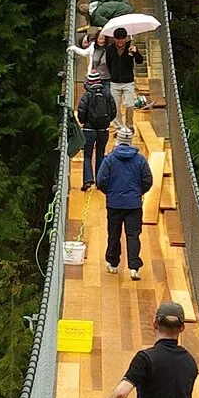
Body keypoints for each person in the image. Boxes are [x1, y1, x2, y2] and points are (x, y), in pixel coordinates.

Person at [95, 123, 153, 282]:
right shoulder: (140, 160)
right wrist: (138, 193)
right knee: (133, 235)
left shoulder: (110, 160)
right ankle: (134, 268)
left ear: (118, 141)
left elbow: (100, 181)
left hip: (114, 203)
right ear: (131, 141)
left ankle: (113, 263)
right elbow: (148, 180)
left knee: (114, 234)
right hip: (134, 204)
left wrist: (110, 193)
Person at [75, 69, 116, 189]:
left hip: (89, 130)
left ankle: (87, 180)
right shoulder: (107, 94)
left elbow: (81, 113)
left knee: (87, 155)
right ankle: (100, 181)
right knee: (100, 154)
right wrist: (106, 122)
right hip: (103, 130)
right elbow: (113, 111)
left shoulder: (87, 95)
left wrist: (84, 122)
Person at [103, 25, 146, 128]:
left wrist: (135, 52)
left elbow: (140, 61)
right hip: (114, 82)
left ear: (125, 38)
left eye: (122, 39)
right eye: (118, 39)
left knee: (129, 105)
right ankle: (118, 127)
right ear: (114, 39)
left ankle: (129, 125)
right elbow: (109, 63)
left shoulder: (130, 47)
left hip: (128, 82)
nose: (120, 42)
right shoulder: (110, 49)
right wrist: (113, 74)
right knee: (115, 107)